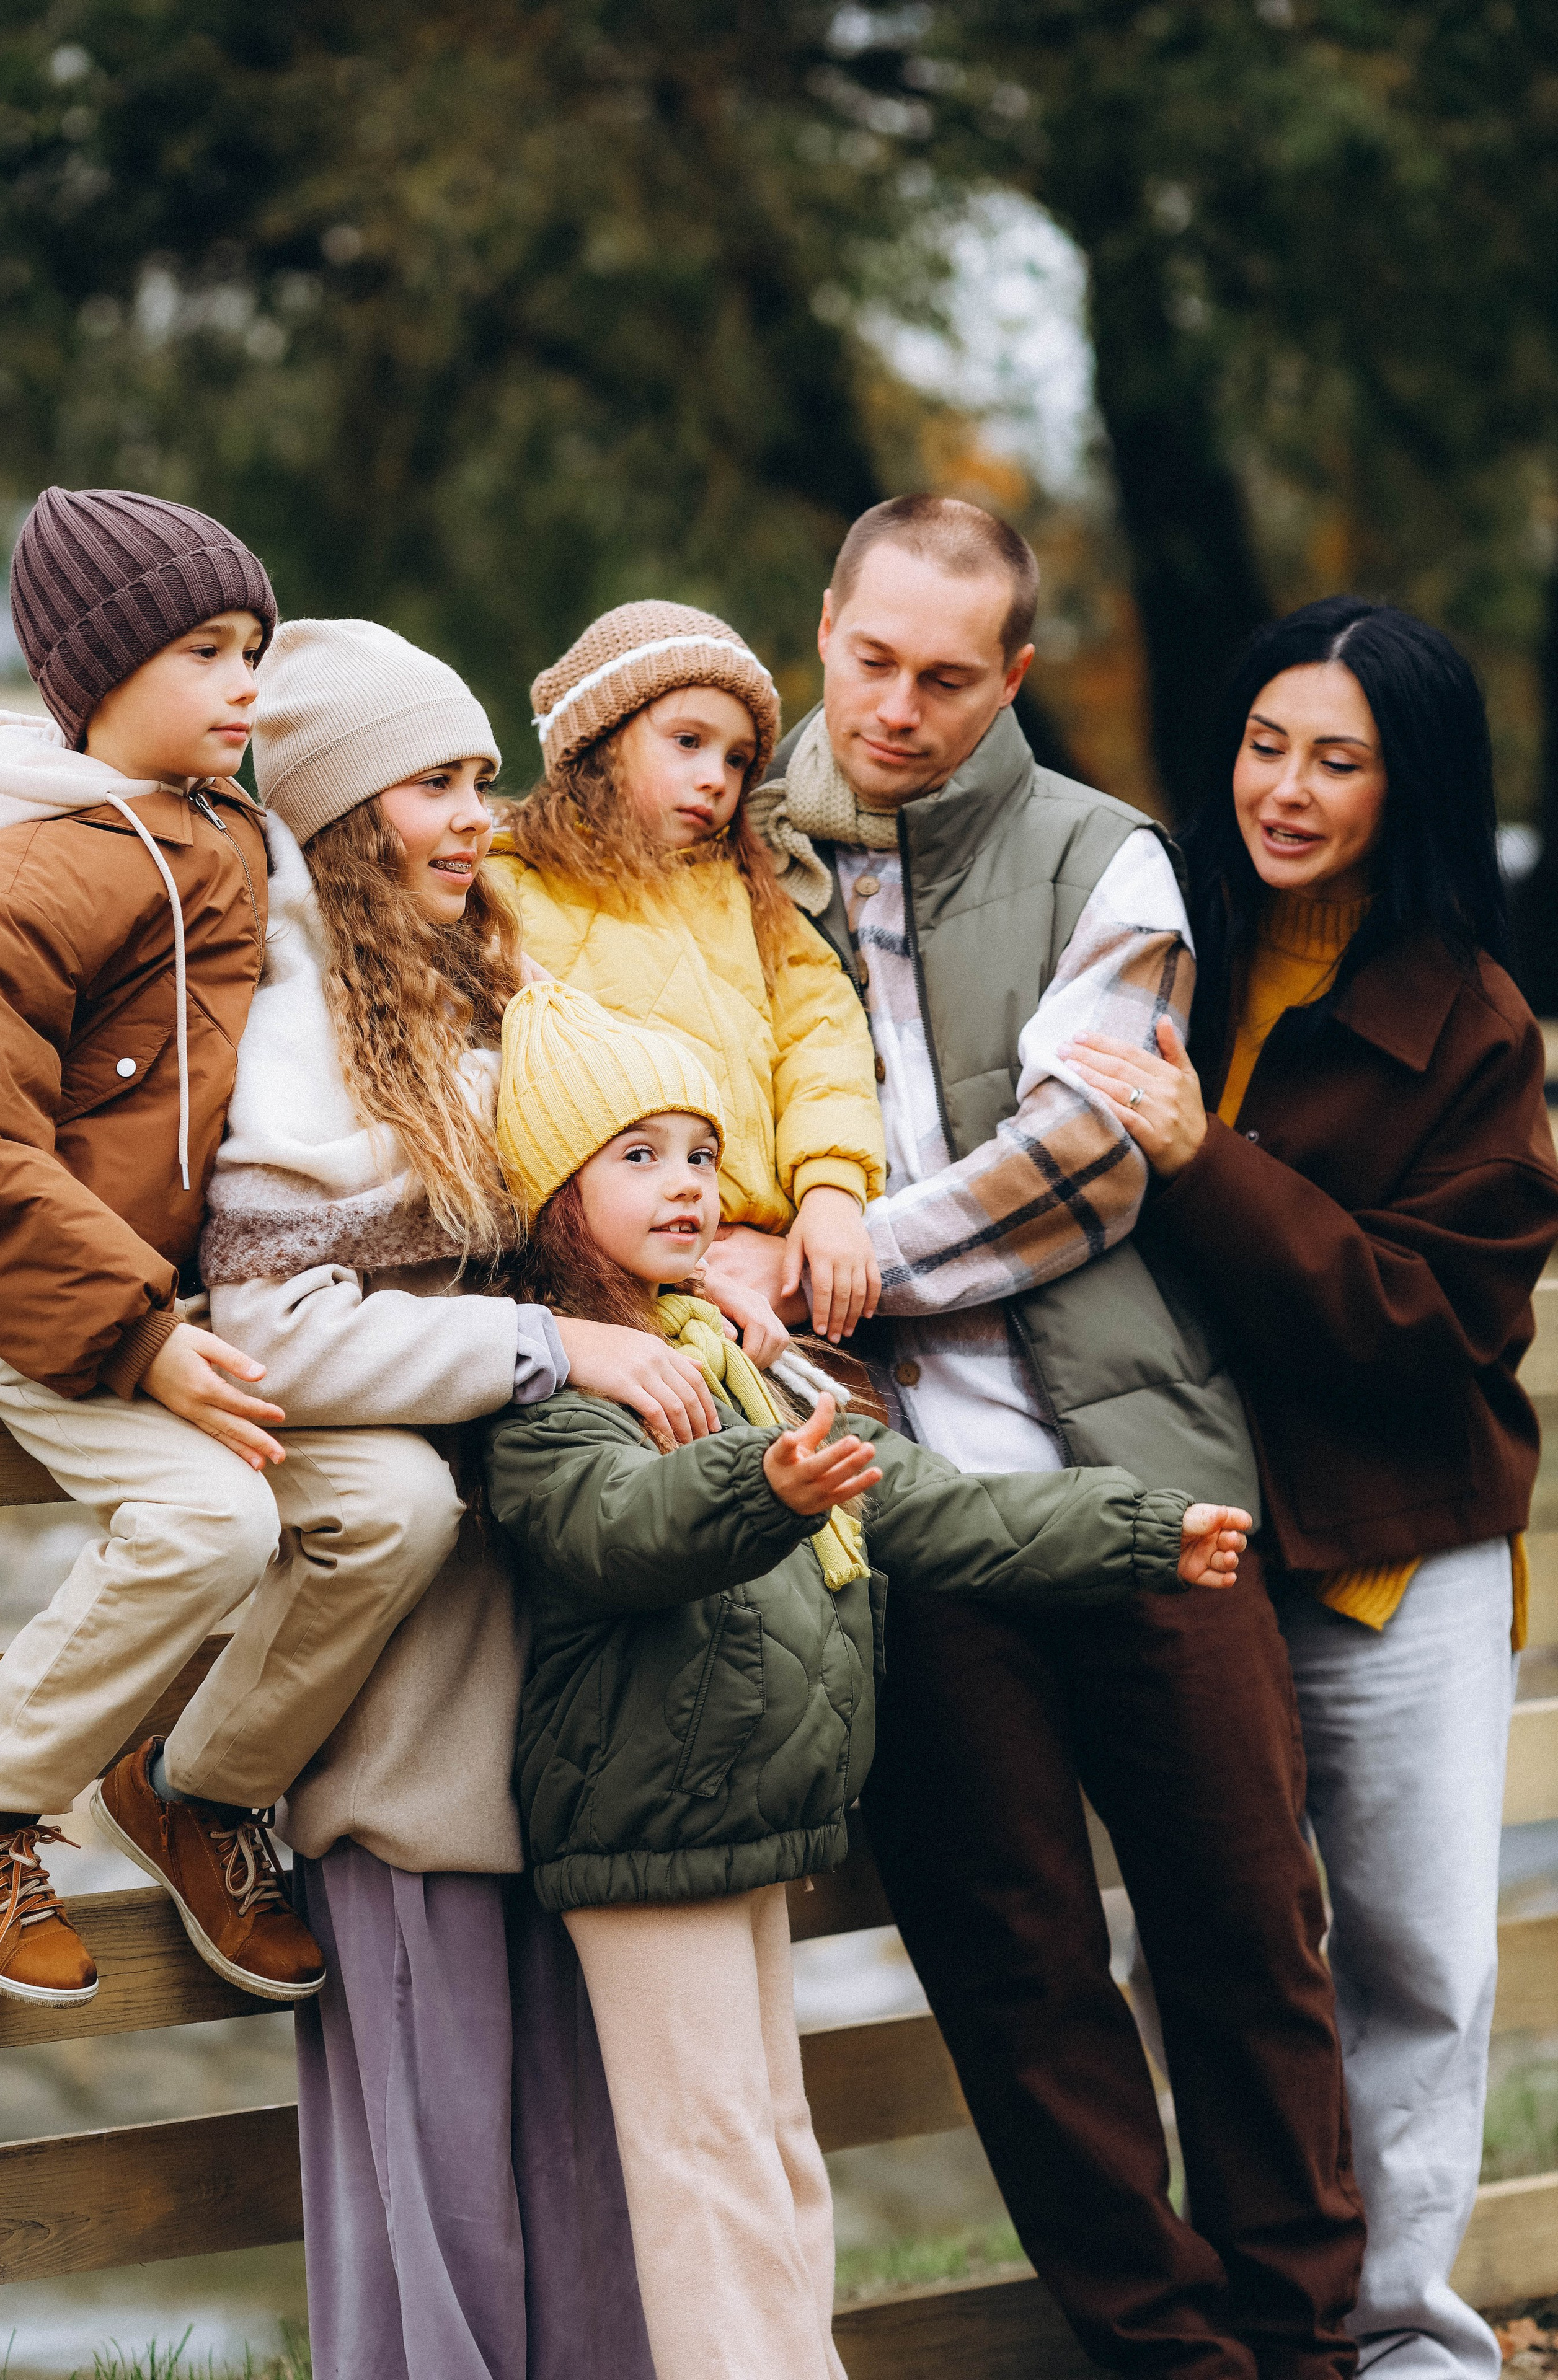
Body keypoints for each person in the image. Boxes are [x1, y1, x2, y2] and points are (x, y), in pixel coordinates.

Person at [710, 493, 1368, 2380]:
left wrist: (817, 1259)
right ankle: (1171, 2356)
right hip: (903, 1519)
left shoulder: (1111, 858)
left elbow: (1078, 1170)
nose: (898, 706)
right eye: (866, 660)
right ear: (818, 627)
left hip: (1145, 1486)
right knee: (1013, 1969)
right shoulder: (731, 861)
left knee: (1248, 1934)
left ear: (1009, 672)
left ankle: (1302, 2344)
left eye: (944, 674)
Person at [480, 976, 1251, 2380]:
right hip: (641, 1834)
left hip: (740, 1821)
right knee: (706, 2167)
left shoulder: (735, 1358)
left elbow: (938, 1506)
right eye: (637, 1157)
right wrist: (759, 1480)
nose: (688, 1186)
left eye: (702, 1154)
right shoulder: (566, 1387)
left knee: (775, 2146)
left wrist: (1141, 1529)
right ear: (551, 1194)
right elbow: (613, 1531)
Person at [185, 617, 688, 2377]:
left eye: (484, 776)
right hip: (409, 1687)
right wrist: (549, 1357)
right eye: (432, 785)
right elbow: (276, 1327)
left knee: (570, 2121)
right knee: (437, 2122)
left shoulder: (474, 977)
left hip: (538, 1652)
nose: (477, 815)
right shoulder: (301, 1023)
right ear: (334, 813)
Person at [1063, 594, 1558, 2380]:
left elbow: (1426, 1317)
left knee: (1417, 1957)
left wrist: (1205, 1170)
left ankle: (1409, 2334)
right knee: (1212, 1949)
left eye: (1336, 761)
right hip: (1188, 1546)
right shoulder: (1148, 947)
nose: (1285, 788)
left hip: (1394, 1557)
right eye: (1267, 745)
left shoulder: (1479, 1026)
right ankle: (1257, 2316)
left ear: (1405, 787)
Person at [0, 484, 329, 2006]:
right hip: (28, 1292)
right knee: (211, 1526)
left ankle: (189, 1781)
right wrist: (146, 1332)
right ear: (96, 679)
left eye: (253, 644)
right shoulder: (33, 866)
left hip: (167, 1290)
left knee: (397, 1511)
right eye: (203, 649)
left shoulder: (230, 834)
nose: (247, 679)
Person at [494, 599, 884, 1354]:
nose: (715, 778)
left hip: (772, 1285)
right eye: (687, 742)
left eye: (738, 759)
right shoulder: (513, 885)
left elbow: (823, 1043)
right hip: (605, 1294)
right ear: (599, 738)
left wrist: (831, 1194)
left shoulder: (751, 896)